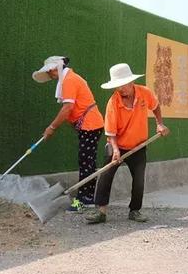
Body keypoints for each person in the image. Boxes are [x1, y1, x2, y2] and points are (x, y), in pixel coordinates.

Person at [85, 63, 170, 224]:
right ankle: (101, 212)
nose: (120, 89)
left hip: (138, 145)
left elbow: (156, 106)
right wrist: (116, 150)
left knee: (139, 180)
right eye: (117, 86)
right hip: (117, 144)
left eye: (122, 85)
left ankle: (135, 211)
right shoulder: (113, 102)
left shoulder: (144, 93)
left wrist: (159, 123)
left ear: (131, 82)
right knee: (105, 176)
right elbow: (110, 132)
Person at [32, 56, 104, 212]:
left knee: (85, 162)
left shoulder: (69, 80)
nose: (50, 77)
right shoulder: (69, 78)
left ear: (54, 69)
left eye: (50, 73)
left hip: (90, 125)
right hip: (90, 125)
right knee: (88, 161)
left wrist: (51, 127)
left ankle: (83, 199)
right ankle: (89, 197)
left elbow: (67, 108)